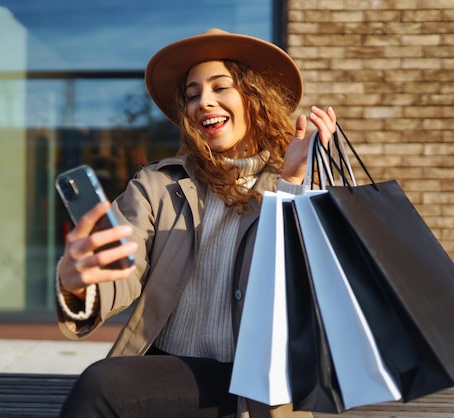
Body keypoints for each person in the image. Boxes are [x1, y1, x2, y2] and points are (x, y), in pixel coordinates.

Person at [55, 28, 337, 418]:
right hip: (169, 369)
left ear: (253, 98)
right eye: (192, 94)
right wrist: (77, 285)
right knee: (103, 385)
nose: (204, 102)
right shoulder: (158, 183)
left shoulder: (296, 181)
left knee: (102, 385)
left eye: (221, 88)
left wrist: (292, 182)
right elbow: (122, 270)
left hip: (252, 384)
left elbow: (298, 290)